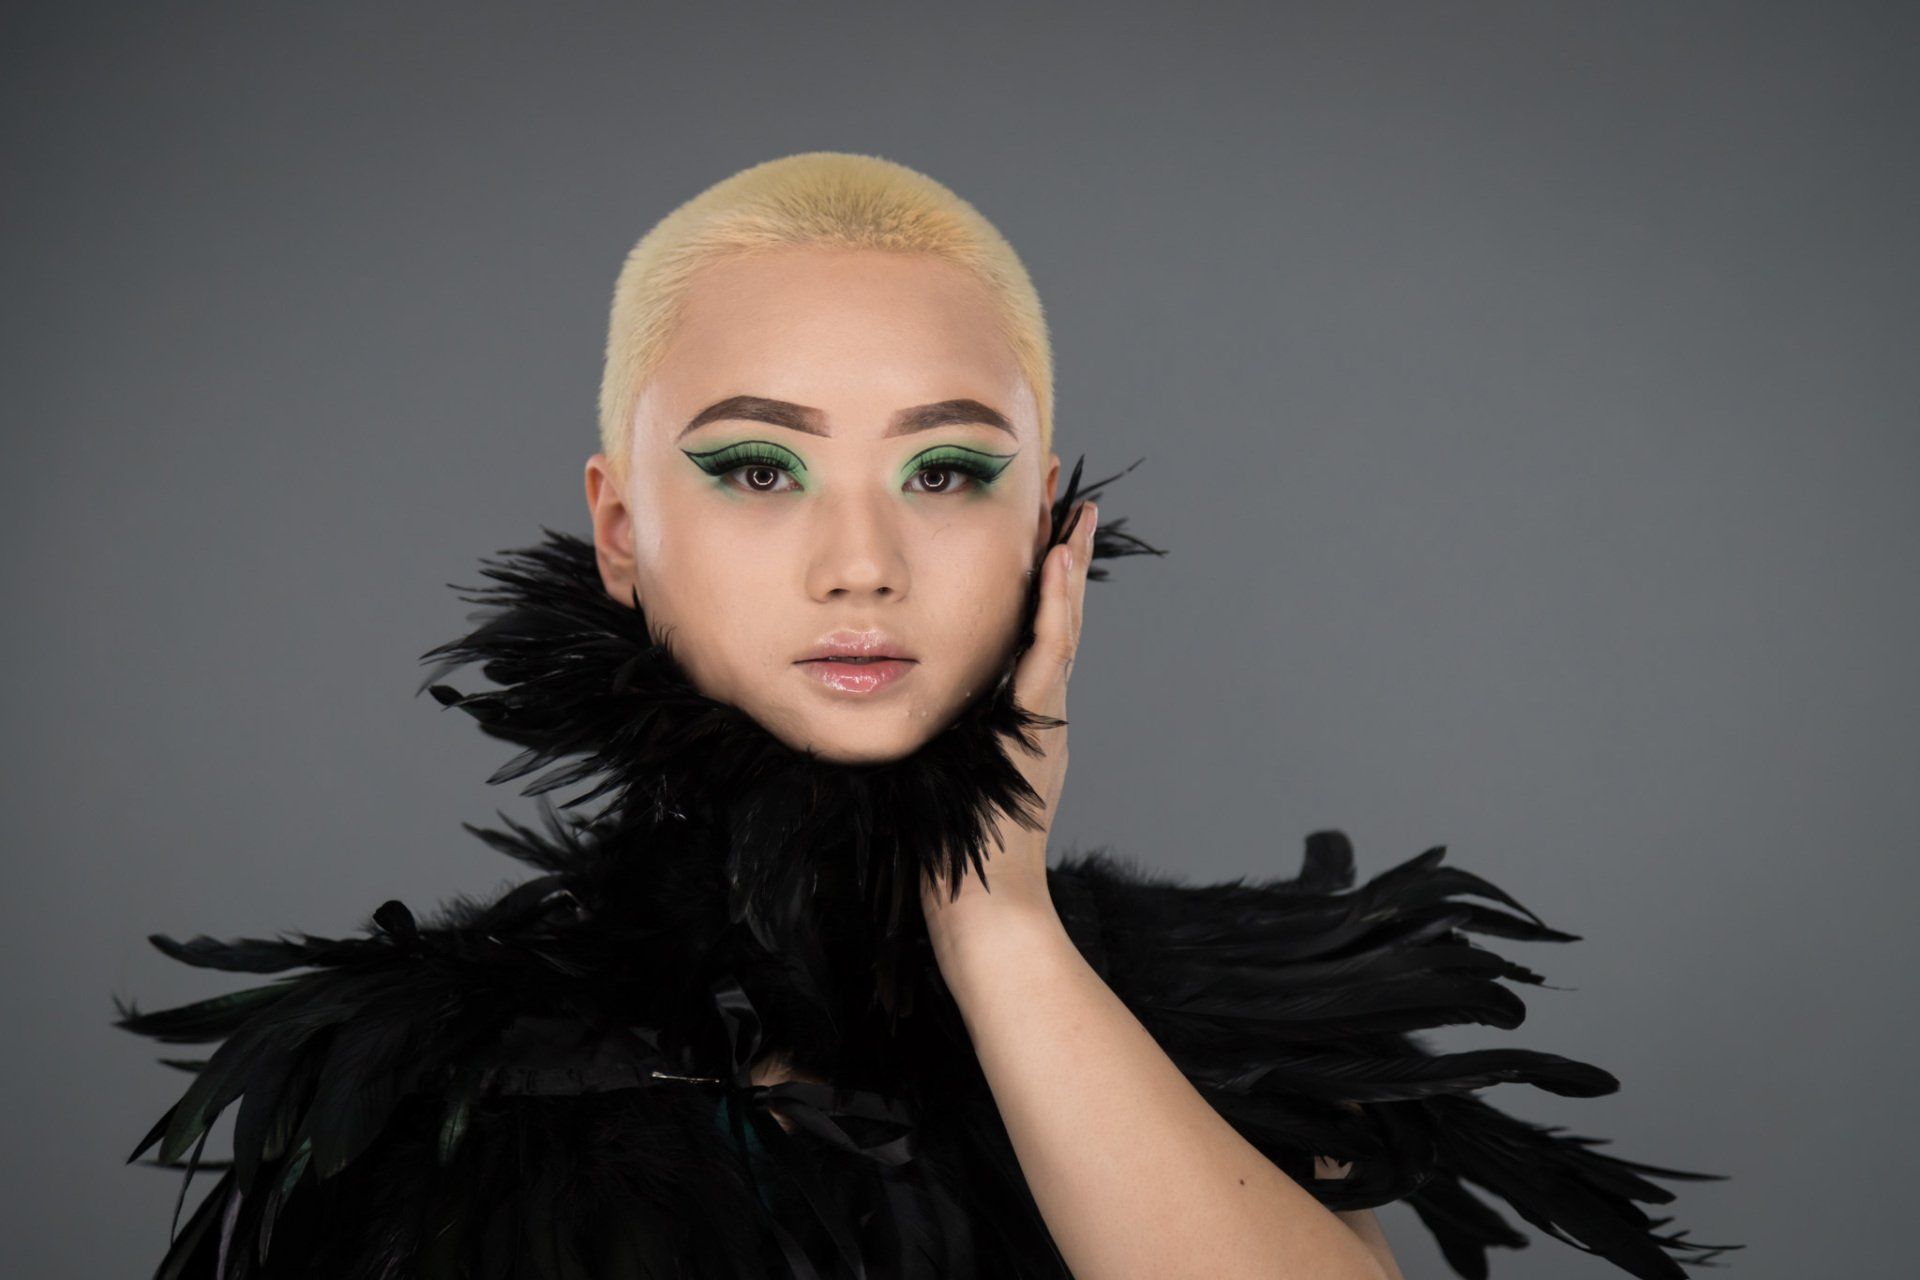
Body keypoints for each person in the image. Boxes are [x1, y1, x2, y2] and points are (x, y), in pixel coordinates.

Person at [116, 151, 1738, 1279]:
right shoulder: (433, 1084)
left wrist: (1003, 932)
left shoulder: (1199, 1028)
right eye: (759, 466)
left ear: (1048, 525)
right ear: (619, 532)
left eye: (947, 470)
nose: (861, 562)